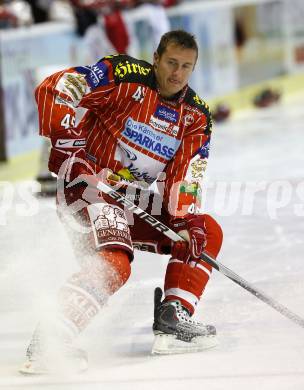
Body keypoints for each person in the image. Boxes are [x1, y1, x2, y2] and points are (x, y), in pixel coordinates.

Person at [20, 30, 223, 374]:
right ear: (156, 58)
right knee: (116, 262)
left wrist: (187, 219)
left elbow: (185, 176)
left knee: (206, 232)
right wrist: (71, 150)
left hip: (129, 199)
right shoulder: (122, 75)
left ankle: (174, 316)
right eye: (171, 62)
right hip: (86, 188)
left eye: (186, 67)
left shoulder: (196, 117)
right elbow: (56, 88)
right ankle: (50, 340)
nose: (177, 73)